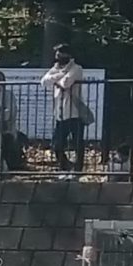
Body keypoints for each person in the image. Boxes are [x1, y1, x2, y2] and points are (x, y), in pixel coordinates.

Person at [41, 44, 89, 175]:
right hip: (60, 113)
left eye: (60, 54)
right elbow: (44, 81)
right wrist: (60, 74)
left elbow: (66, 83)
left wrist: (56, 79)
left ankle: (78, 169)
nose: (57, 57)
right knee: (56, 144)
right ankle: (65, 166)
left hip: (74, 112)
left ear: (67, 55)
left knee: (77, 143)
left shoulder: (76, 68)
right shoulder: (56, 68)